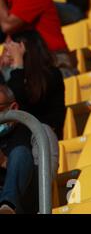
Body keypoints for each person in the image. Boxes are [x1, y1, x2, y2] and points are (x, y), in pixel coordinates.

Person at [0, 31, 66, 141]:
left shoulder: (51, 75)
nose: (6, 54)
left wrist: (18, 65)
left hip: (41, 137)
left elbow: (21, 108)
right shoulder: (8, 75)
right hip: (14, 139)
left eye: (11, 49)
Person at [0, 84, 35, 214]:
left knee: (20, 153)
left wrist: (3, 161)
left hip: (23, 198)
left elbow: (45, 172)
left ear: (13, 108)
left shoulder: (30, 131)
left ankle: (8, 204)